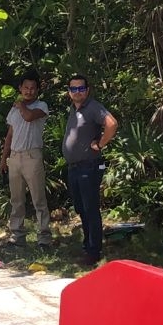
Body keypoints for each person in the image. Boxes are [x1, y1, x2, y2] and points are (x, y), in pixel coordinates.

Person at [63, 74, 118, 266]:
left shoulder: (93, 107)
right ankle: (88, 245)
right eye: (73, 89)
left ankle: (93, 251)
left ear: (87, 90)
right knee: (81, 208)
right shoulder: (74, 109)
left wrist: (101, 144)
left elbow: (111, 124)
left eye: (80, 88)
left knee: (90, 209)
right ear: (69, 92)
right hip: (74, 167)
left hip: (89, 166)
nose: (77, 92)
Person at [0, 71, 51, 248]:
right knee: (17, 199)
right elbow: (10, 135)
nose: (29, 91)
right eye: (25, 88)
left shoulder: (41, 106)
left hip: (32, 156)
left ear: (37, 90)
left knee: (39, 199)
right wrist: (4, 159)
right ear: (20, 88)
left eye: (32, 88)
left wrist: (21, 105)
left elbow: (29, 117)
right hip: (15, 157)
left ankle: (44, 237)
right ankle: (17, 235)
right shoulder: (14, 110)